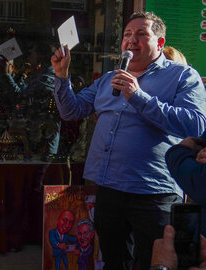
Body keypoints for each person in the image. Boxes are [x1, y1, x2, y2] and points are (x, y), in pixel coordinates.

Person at [51, 11, 206, 270]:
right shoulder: (106, 81)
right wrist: (62, 76)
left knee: (151, 262)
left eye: (142, 34)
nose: (131, 40)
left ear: (160, 43)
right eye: (127, 34)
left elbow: (195, 124)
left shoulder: (183, 76)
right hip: (109, 187)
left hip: (153, 192)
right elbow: (71, 111)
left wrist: (138, 96)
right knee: (114, 261)